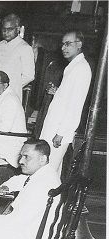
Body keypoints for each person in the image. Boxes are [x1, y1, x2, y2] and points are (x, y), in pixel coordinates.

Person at [39, 30, 92, 173]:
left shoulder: (81, 68)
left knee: (46, 171)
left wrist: (62, 132)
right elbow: (68, 96)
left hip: (59, 131)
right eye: (62, 44)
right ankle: (54, 196)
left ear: (79, 44)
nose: (63, 48)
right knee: (52, 172)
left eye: (68, 44)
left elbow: (76, 105)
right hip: (55, 127)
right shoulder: (73, 66)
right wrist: (58, 92)